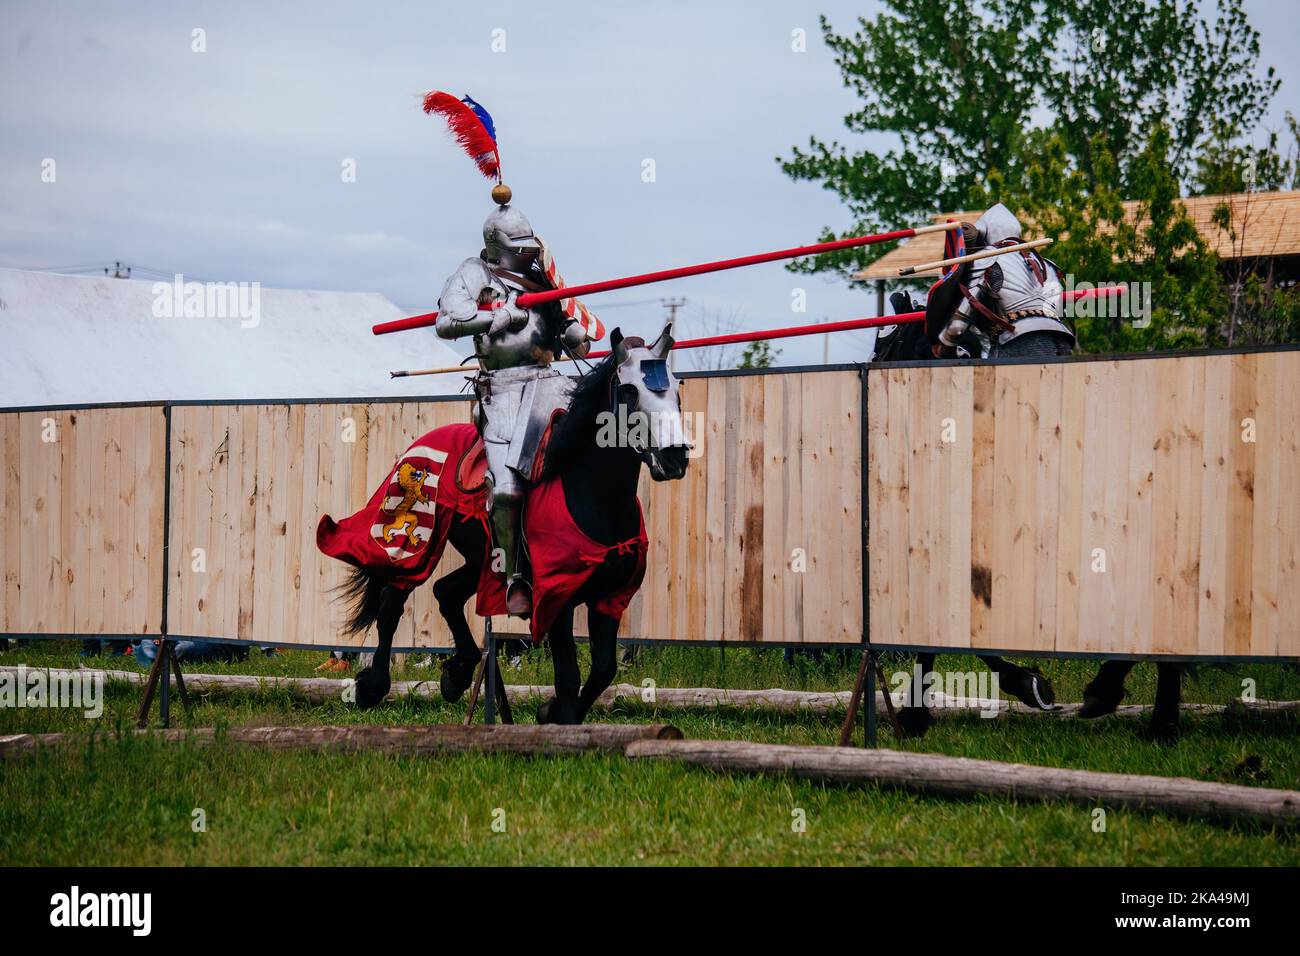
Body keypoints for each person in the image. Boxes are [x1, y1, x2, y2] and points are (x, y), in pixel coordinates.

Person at [435, 189, 598, 617]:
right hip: (504, 388)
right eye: (518, 250)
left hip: (551, 381)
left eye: (529, 249)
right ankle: (514, 577)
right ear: (496, 247)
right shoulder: (474, 272)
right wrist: (499, 316)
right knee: (506, 488)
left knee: (597, 442)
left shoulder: (540, 274)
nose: (527, 257)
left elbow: (566, 327)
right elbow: (446, 322)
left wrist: (572, 334)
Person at [924, 203, 1074, 360]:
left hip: (1018, 338)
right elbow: (1060, 310)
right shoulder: (1046, 264)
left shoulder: (986, 259)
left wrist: (944, 346)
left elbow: (960, 321)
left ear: (985, 234)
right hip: (1063, 339)